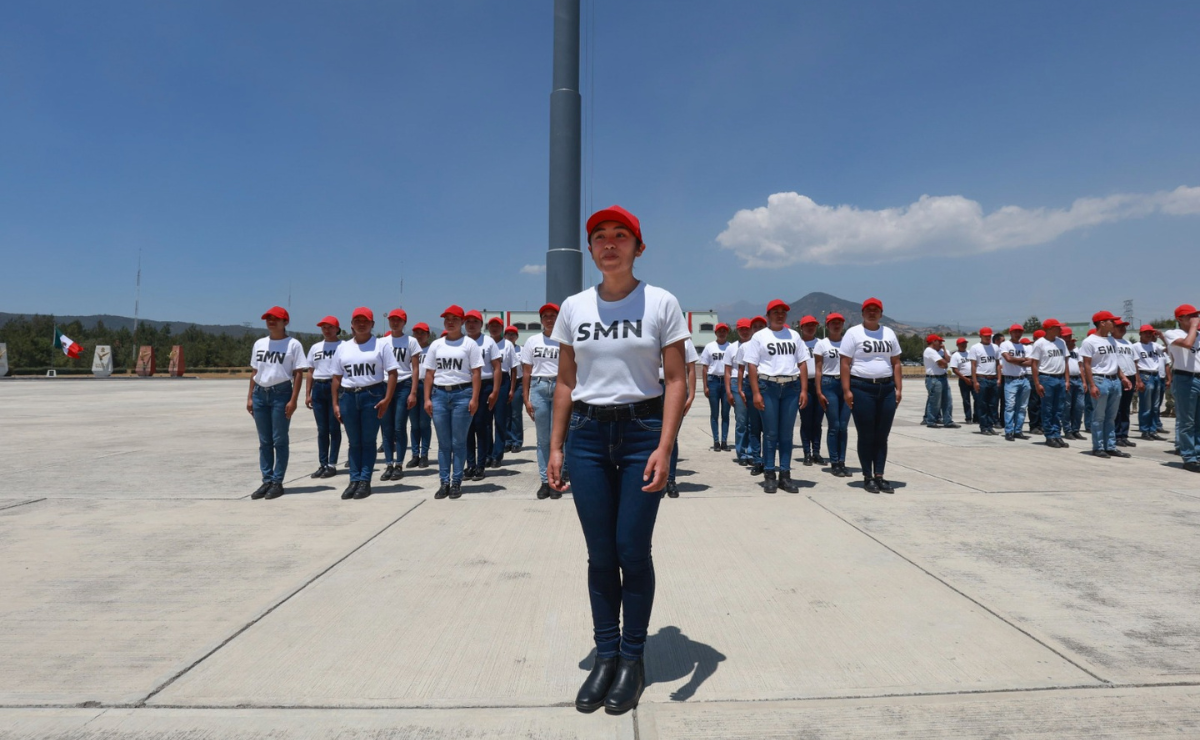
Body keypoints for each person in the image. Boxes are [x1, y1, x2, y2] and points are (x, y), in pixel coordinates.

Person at [547, 205, 689, 715]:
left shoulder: (661, 302)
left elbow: (677, 380)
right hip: (586, 434)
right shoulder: (573, 308)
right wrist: (556, 446)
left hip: (640, 434)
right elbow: (565, 382)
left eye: (621, 236)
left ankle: (633, 658)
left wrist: (664, 447)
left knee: (632, 548)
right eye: (600, 237)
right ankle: (605, 655)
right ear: (590, 250)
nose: (610, 244)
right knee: (600, 553)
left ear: (638, 246)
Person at [331, 307, 398, 499]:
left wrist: (387, 399)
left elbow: (392, 373)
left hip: (372, 395)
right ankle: (354, 480)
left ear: (372, 324)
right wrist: (335, 403)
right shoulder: (343, 347)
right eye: (357, 321)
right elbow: (336, 377)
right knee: (354, 442)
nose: (361, 324)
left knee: (368, 441)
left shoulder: (381, 345)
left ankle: (364, 481)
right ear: (351, 324)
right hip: (348, 397)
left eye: (365, 321)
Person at [744, 299, 809, 494]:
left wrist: (804, 390)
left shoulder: (794, 336)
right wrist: (755, 392)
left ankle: (786, 474)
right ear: (768, 316)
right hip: (768, 386)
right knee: (771, 433)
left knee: (786, 434)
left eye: (783, 312)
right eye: (775, 312)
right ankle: (770, 474)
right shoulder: (760, 337)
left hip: (791, 387)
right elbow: (752, 366)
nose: (780, 315)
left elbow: (803, 363)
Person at [840, 297, 902, 494]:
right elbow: (844, 362)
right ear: (862, 313)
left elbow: (896, 362)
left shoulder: (889, 333)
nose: (872, 313)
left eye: (876, 310)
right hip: (862, 387)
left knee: (882, 435)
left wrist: (898, 388)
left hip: (886, 388)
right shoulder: (853, 333)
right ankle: (867, 476)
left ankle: (880, 476)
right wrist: (847, 390)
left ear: (881, 314)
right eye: (868, 310)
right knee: (866, 434)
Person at [247, 306, 309, 499]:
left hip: (281, 394)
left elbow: (299, 373)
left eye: (275, 319)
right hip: (260, 393)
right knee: (264, 441)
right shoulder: (259, 344)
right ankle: (266, 480)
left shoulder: (293, 345)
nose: (271, 322)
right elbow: (255, 372)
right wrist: (249, 396)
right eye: (268, 319)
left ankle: (277, 481)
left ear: (285, 322)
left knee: (279, 440)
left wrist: (294, 400)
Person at [423, 305, 484, 498]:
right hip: (439, 395)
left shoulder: (469, 344)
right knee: (443, 443)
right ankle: (444, 482)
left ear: (462, 322)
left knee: (458, 442)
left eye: (455, 319)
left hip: (462, 394)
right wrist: (426, 399)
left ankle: (456, 481)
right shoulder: (436, 345)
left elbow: (476, 373)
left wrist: (474, 398)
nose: (450, 322)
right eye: (447, 319)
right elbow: (430, 374)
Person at [522, 303, 564, 499]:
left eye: (553, 315)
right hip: (539, 388)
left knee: (558, 439)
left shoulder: (565, 340)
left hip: (560, 388)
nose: (549, 319)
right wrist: (526, 397)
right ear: (541, 320)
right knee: (543, 440)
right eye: (545, 316)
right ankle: (545, 481)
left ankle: (557, 481)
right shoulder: (532, 341)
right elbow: (527, 372)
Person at [1079, 310, 1132, 459]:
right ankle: (1098, 447)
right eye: (1111, 321)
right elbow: (1087, 365)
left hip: (1114, 380)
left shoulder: (1111, 340)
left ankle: (1110, 446)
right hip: (1100, 381)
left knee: (1111, 417)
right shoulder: (1089, 341)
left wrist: (1123, 377)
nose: (1114, 324)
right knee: (1099, 417)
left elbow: (1115, 362)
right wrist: (1092, 385)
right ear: (1102, 323)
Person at [379, 309, 421, 481]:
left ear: (404, 322)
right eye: (392, 320)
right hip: (384, 385)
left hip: (404, 385)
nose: (395, 323)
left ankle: (399, 464)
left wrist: (413, 392)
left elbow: (415, 368)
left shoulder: (411, 342)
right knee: (386, 427)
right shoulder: (382, 341)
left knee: (399, 426)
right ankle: (389, 463)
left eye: (398, 320)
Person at [464, 310, 502, 481]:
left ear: (481, 324)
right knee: (467, 428)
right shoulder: (461, 341)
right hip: (465, 388)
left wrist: (495, 391)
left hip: (485, 386)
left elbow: (496, 368)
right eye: (468, 321)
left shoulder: (488, 342)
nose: (471, 324)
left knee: (481, 426)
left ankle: (481, 464)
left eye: (475, 321)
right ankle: (470, 465)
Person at [304, 315, 343, 479]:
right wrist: (308, 393)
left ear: (337, 329)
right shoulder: (315, 347)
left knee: (334, 428)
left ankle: (332, 464)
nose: (326, 330)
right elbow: (311, 371)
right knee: (322, 430)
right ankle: (322, 463)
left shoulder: (343, 346)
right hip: (319, 388)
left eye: (330, 327)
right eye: (324, 327)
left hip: (336, 387)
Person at [1163, 304, 1200, 472]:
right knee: (1187, 421)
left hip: (1198, 378)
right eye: (1191, 316)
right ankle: (1189, 457)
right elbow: (1187, 344)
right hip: (1185, 378)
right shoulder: (1173, 333)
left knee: (1198, 420)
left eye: (1196, 315)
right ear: (1180, 319)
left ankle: (1197, 453)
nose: (1195, 318)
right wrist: (1194, 327)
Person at [814, 312, 851, 477]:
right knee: (834, 425)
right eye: (833, 323)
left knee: (844, 426)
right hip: (829, 384)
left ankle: (842, 461)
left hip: (846, 385)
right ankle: (834, 462)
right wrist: (818, 391)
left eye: (839, 323)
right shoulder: (822, 344)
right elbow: (818, 369)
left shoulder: (848, 344)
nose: (836, 325)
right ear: (827, 326)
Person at [662, 336, 698, 498]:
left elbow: (690, 368)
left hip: (673, 388)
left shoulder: (683, 341)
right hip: (651, 387)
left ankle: (670, 480)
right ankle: (652, 478)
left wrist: (690, 395)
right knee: (649, 435)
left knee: (671, 436)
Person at [1029, 319, 1070, 448]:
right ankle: (1049, 435)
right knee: (1047, 409)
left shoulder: (1061, 342)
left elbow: (1066, 362)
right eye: (1057, 327)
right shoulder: (1040, 343)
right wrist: (1037, 382)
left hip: (1060, 378)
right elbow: (1034, 364)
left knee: (1059, 409)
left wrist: (1067, 380)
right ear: (1049, 329)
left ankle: (1057, 434)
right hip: (1046, 378)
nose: (1060, 330)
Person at [487, 316, 519, 466]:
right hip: (486, 381)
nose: (494, 328)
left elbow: (513, 368)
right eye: (491, 326)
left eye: (497, 326)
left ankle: (497, 455)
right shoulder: (485, 343)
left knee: (500, 420)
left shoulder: (507, 345)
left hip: (504, 381)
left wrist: (512, 389)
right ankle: (487, 453)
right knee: (485, 421)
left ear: (502, 329)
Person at [741, 315, 768, 476]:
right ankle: (757, 460)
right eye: (755, 326)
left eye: (761, 326)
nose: (758, 328)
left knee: (769, 428)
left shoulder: (771, 342)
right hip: (751, 385)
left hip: (768, 384)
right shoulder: (746, 346)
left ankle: (768, 459)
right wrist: (740, 389)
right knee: (754, 426)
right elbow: (740, 369)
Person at [724, 318, 752, 465]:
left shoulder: (756, 345)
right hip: (736, 383)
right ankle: (741, 453)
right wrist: (728, 391)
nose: (744, 331)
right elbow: (727, 371)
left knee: (752, 422)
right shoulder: (731, 348)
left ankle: (752, 452)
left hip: (752, 382)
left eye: (747, 328)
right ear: (738, 331)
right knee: (741, 420)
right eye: (741, 329)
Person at [699, 323, 732, 452]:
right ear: (716, 333)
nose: (722, 333)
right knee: (714, 413)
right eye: (720, 331)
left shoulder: (730, 347)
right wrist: (705, 385)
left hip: (726, 381)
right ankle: (716, 441)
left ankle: (724, 441)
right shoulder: (709, 347)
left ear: (727, 332)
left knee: (725, 413)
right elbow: (705, 367)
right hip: (713, 380)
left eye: (724, 331)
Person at [797, 315, 825, 465]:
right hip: (803, 385)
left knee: (818, 421)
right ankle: (806, 452)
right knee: (806, 420)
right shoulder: (797, 344)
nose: (810, 328)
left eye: (813, 325)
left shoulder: (821, 343)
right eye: (807, 325)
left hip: (819, 384)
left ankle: (817, 452)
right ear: (801, 328)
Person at [1110, 319, 1140, 448]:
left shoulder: (1129, 343)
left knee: (1125, 408)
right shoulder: (1111, 342)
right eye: (1119, 326)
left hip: (1131, 376)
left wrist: (1138, 379)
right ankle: (1116, 435)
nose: (1122, 329)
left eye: (1124, 327)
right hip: (1118, 377)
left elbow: (1135, 362)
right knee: (1116, 408)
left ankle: (1124, 435)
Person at [1134, 324, 1167, 441]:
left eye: (1150, 333)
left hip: (1156, 375)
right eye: (1146, 333)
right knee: (1146, 406)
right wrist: (1138, 380)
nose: (1148, 335)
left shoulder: (1155, 345)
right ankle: (1145, 430)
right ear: (1140, 334)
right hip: (1145, 375)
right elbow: (1135, 364)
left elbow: (1168, 349)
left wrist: (1162, 337)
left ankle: (1153, 430)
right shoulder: (1136, 346)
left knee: (1155, 406)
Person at [407, 322, 433, 468]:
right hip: (412, 386)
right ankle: (415, 454)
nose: (419, 335)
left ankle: (424, 455)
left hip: (426, 385)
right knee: (414, 424)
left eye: (422, 333)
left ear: (428, 335)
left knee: (424, 423)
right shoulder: (411, 350)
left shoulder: (432, 350)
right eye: (416, 333)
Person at [999, 324, 1031, 442]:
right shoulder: (1005, 344)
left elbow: (1031, 362)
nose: (1018, 334)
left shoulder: (1024, 347)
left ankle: (1018, 430)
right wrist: (1022, 360)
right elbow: (1008, 359)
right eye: (1015, 331)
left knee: (1022, 407)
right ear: (1010, 332)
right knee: (1010, 406)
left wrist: (1015, 360)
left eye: (1020, 332)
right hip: (1010, 380)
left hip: (1024, 379)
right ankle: (1009, 431)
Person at [969, 328, 1001, 435]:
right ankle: (984, 427)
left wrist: (999, 378)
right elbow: (973, 366)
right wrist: (975, 381)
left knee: (993, 404)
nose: (987, 338)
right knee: (982, 404)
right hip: (982, 379)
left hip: (993, 379)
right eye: (985, 336)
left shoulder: (995, 347)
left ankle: (990, 425)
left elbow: (997, 364)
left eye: (989, 336)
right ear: (981, 336)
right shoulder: (975, 348)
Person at [922, 334, 956, 429]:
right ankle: (931, 420)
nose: (941, 344)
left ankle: (948, 421)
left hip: (943, 377)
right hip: (934, 379)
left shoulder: (940, 351)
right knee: (935, 401)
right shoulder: (930, 351)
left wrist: (944, 350)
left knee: (947, 400)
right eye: (939, 341)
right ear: (933, 342)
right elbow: (943, 363)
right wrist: (944, 363)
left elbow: (947, 361)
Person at [1063, 327, 1086, 440]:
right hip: (1067, 379)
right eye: (1066, 337)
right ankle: (1067, 430)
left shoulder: (1078, 351)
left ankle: (1076, 429)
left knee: (1079, 406)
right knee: (1067, 406)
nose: (1069, 340)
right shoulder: (1061, 349)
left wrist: (1084, 381)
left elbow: (1081, 366)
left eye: (1070, 337)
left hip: (1078, 379)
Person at [504, 326, 525, 452]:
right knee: (505, 414)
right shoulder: (502, 348)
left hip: (518, 383)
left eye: (513, 334)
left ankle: (517, 441)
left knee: (516, 414)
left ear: (517, 337)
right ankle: (507, 440)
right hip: (505, 383)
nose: (511, 336)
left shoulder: (521, 350)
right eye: (508, 334)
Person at [949, 337, 975, 424]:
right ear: (958, 345)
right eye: (962, 344)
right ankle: (968, 418)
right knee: (966, 399)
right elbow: (954, 369)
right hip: (964, 379)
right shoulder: (955, 355)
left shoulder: (970, 353)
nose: (964, 345)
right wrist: (964, 378)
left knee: (978, 398)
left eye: (965, 343)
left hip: (973, 378)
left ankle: (976, 416)